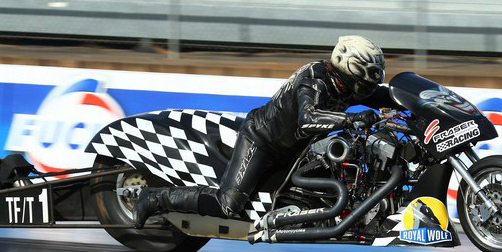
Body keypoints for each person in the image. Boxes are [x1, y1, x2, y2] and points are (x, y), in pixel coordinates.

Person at [133, 35, 395, 228]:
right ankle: (155, 198)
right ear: (349, 68)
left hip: (295, 150)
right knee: (229, 204)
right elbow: (308, 119)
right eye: (365, 78)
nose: (368, 86)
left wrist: (414, 100)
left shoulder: (347, 85)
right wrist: (352, 119)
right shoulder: (315, 81)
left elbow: (383, 95)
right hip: (262, 141)